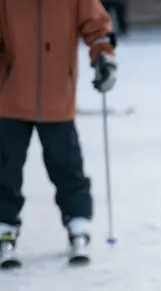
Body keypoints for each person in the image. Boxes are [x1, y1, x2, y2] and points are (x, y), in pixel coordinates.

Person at [0, 0, 118, 268]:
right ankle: (4, 227)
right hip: (10, 96)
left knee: (66, 164)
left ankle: (78, 223)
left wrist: (104, 57)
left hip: (57, 97)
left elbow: (98, 26)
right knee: (5, 168)